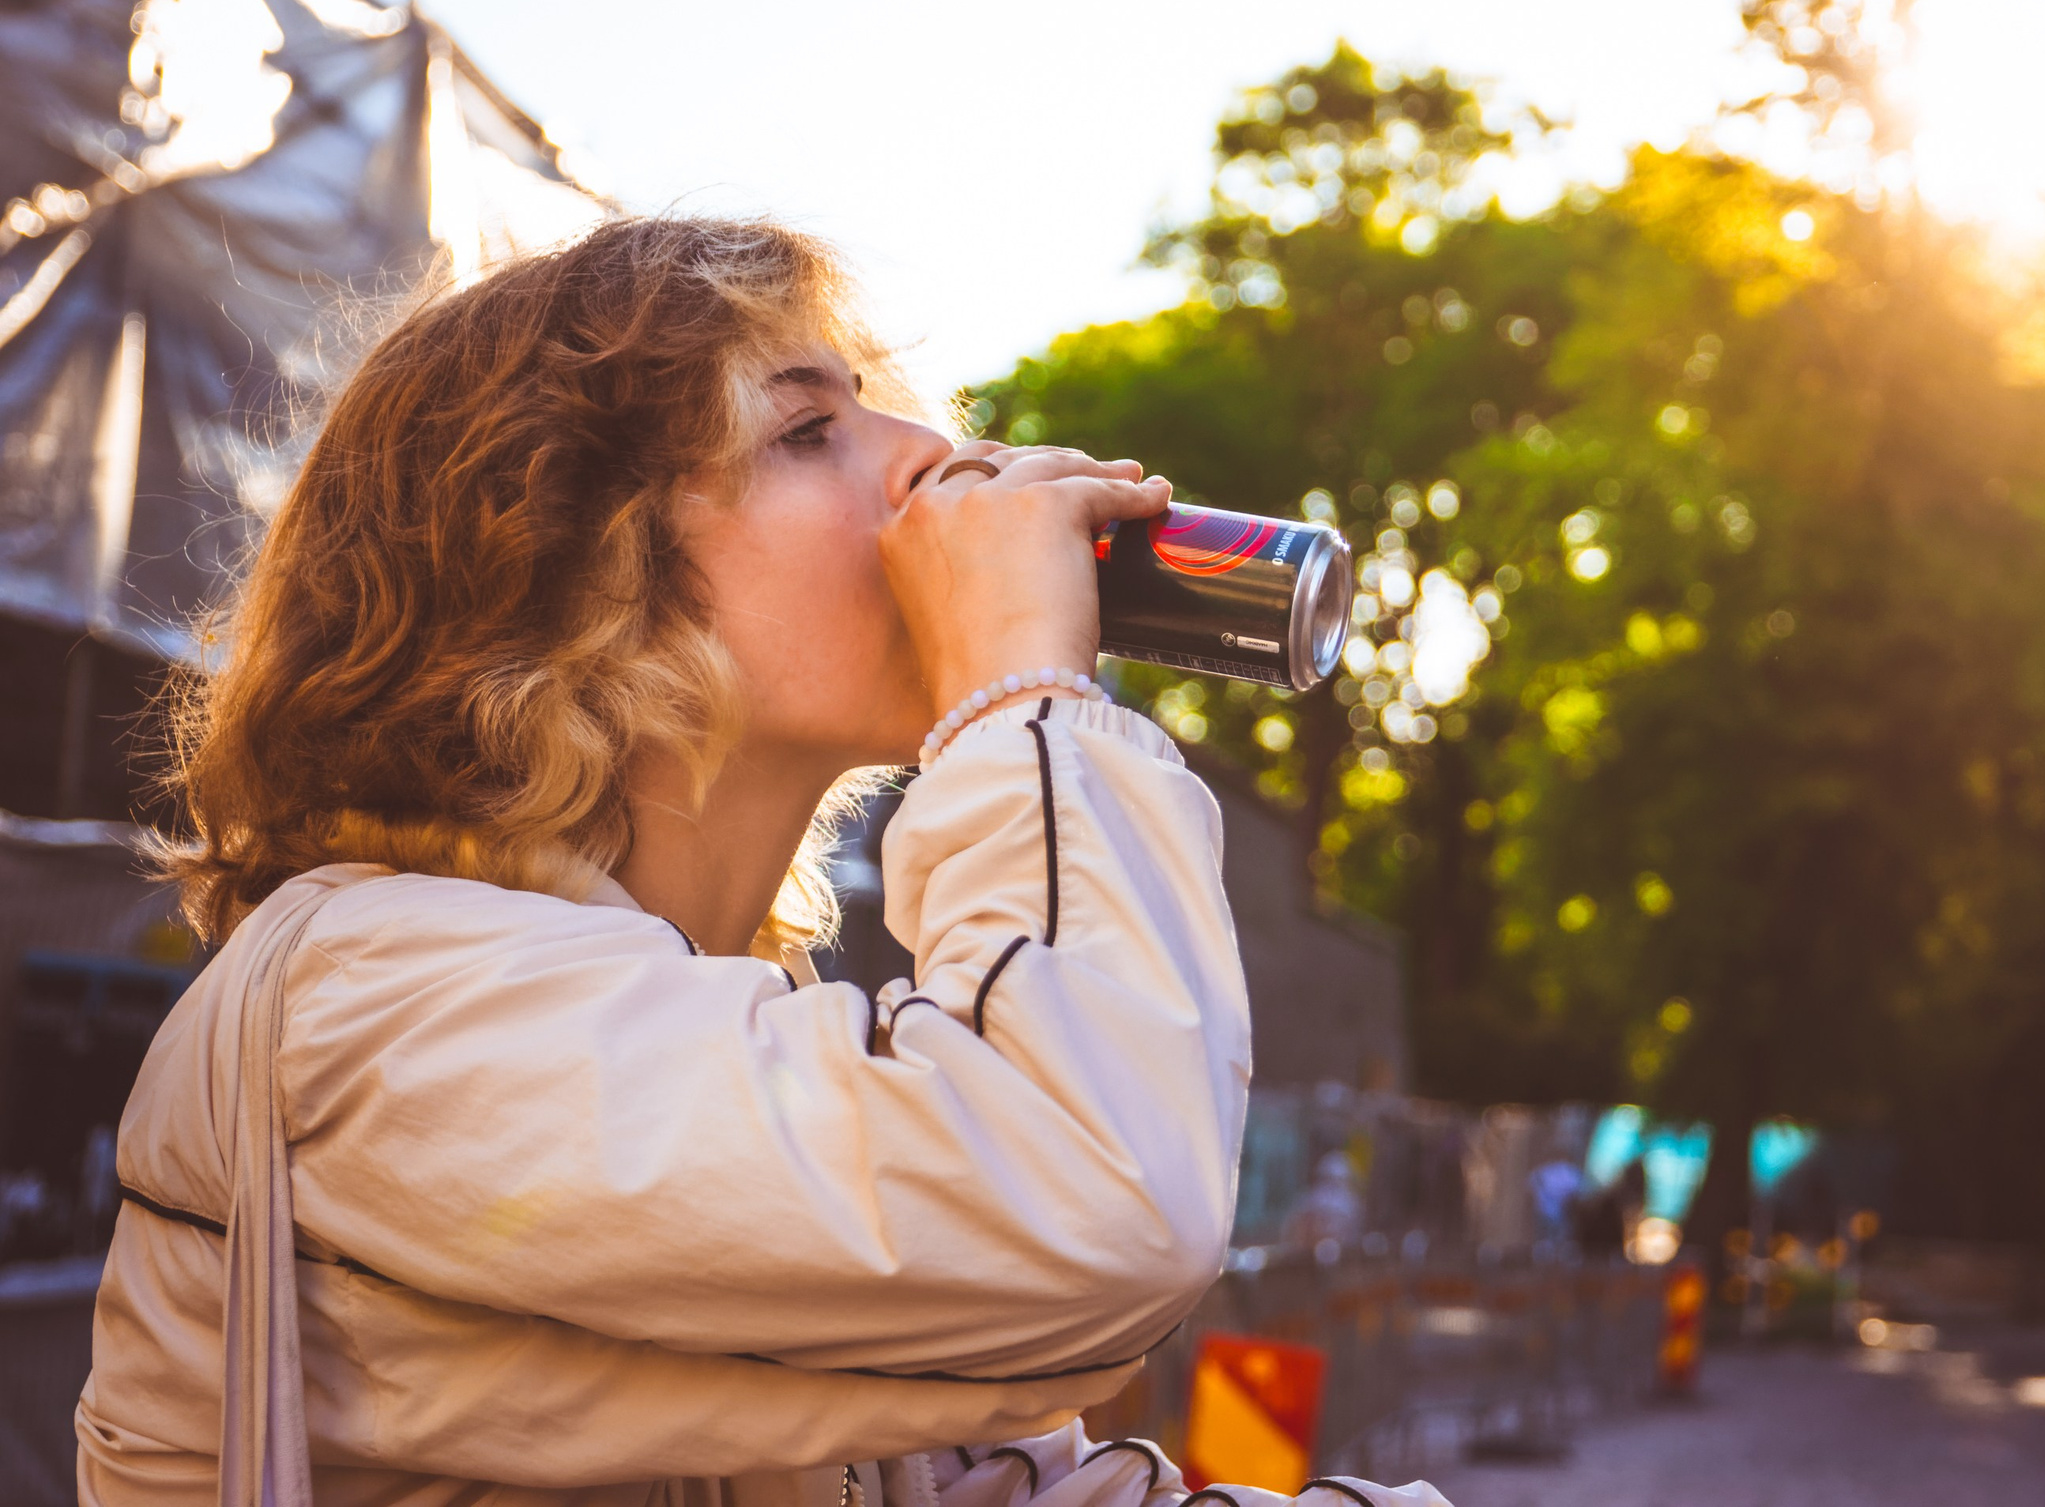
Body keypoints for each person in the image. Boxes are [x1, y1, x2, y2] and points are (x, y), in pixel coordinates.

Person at [79, 217, 1449, 1507]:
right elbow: (1100, 1202)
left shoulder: (725, 1028)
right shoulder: (369, 1010)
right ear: (568, 583)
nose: (933, 460)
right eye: (808, 428)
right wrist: (1025, 695)